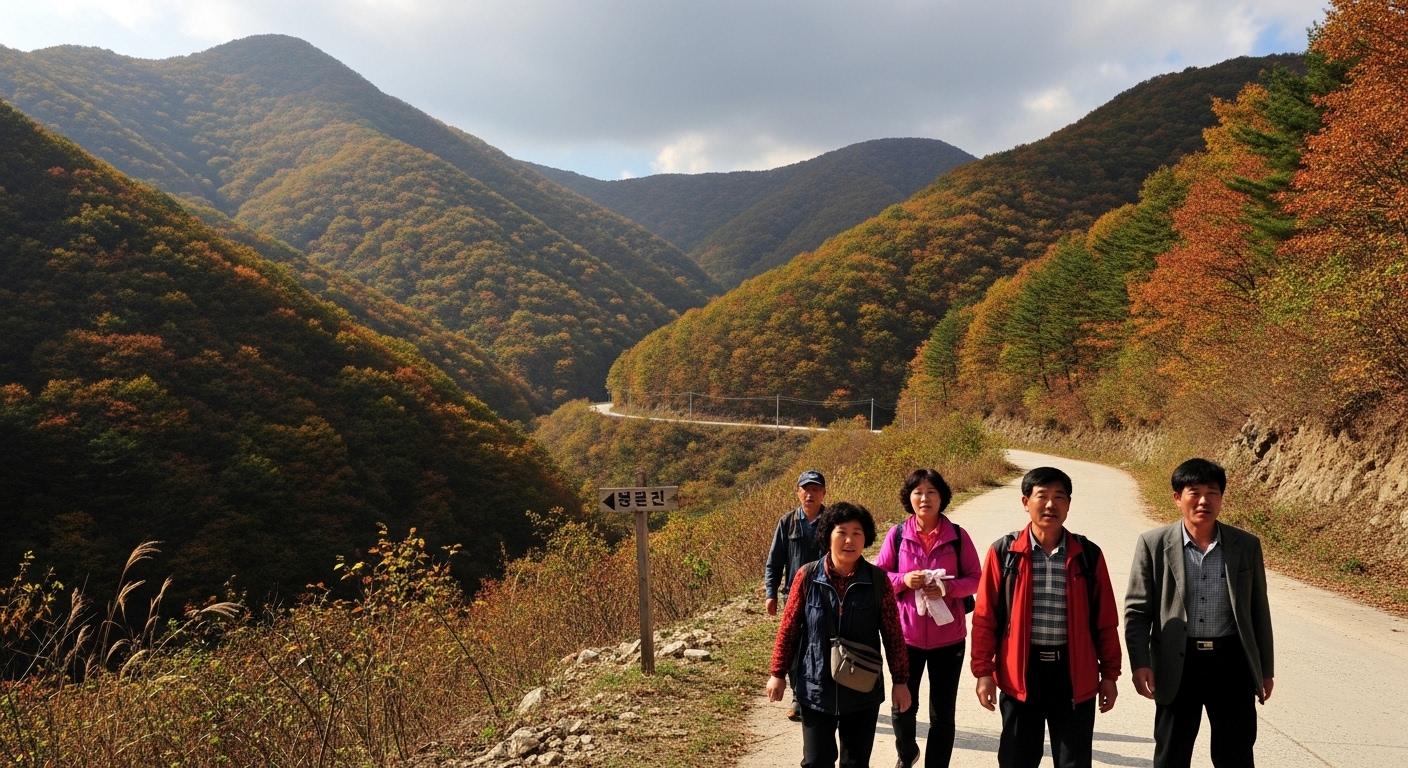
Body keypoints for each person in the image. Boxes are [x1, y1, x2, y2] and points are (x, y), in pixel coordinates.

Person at [1125, 458, 1274, 768]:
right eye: (1194, 492)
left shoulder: (1245, 545)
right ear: (1177, 498)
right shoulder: (1153, 544)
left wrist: (1265, 669)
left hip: (1231, 662)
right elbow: (1137, 611)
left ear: (1221, 498)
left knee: (1236, 754)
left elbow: (1259, 611)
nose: (1204, 500)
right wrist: (1140, 663)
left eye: (1213, 492)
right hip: (1178, 663)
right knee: (1172, 753)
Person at [971, 466, 1121, 768]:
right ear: (1026, 501)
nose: (1051, 504)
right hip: (1020, 674)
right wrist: (983, 672)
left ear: (1068, 504)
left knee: (1074, 761)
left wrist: (1110, 675)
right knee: (1017, 759)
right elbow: (985, 618)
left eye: (1059, 497)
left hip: (1073, 674)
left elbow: (1105, 621)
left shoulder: (1088, 555)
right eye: (1042, 496)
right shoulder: (1005, 552)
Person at [767, 501, 912, 767]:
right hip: (815, 687)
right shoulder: (807, 576)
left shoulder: (878, 581)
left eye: (857, 533)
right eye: (841, 532)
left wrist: (901, 682)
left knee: (855, 763)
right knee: (815, 761)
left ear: (866, 538)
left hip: (862, 689)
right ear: (827, 536)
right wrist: (777, 673)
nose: (849, 540)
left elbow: (893, 636)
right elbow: (788, 628)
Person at [874, 468, 981, 768]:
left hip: (949, 640)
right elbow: (880, 577)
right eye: (918, 492)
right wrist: (904, 580)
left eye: (931, 492)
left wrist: (947, 587)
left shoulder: (958, 536)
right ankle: (907, 753)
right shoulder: (897, 536)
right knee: (903, 705)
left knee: (942, 714)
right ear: (909, 498)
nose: (925, 498)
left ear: (941, 497)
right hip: (905, 637)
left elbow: (975, 579)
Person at [765, 469, 828, 720]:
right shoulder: (787, 521)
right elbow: (774, 561)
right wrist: (770, 592)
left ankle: (820, 692)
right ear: (798, 492)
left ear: (823, 493)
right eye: (806, 489)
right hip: (794, 594)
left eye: (815, 490)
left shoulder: (832, 522)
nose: (810, 494)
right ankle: (798, 698)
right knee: (794, 645)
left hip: (826, 594)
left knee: (822, 644)